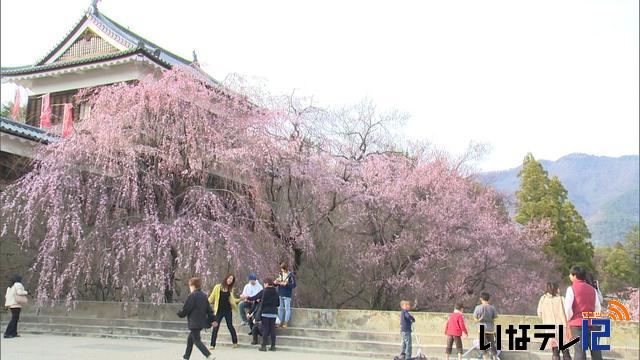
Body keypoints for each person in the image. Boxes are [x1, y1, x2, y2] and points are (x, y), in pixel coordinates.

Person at [564, 266, 603, 360]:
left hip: (577, 324)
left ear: (575, 276)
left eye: (570, 274)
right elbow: (598, 307)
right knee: (596, 351)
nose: (569, 276)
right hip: (591, 323)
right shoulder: (593, 290)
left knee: (579, 351)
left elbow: (568, 308)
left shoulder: (571, 289)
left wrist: (569, 320)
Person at [176, 277, 216, 360]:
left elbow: (186, 309)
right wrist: (213, 319)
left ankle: (208, 355)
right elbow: (209, 309)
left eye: (190, 286)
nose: (190, 288)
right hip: (201, 322)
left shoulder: (192, 296)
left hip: (194, 322)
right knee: (190, 339)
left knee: (197, 340)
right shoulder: (204, 295)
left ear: (193, 286)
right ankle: (186, 357)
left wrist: (179, 313)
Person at [537, 282, 572, 360]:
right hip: (562, 327)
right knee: (565, 350)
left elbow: (539, 313)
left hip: (549, 328)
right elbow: (567, 311)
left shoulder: (543, 299)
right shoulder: (561, 298)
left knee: (555, 351)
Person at [246, 278, 280, 351]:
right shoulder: (276, 292)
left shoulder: (264, 291)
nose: (264, 285)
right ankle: (273, 346)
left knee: (265, 329)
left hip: (265, 312)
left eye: (264, 284)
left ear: (266, 284)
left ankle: (263, 346)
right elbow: (278, 303)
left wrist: (247, 298)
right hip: (274, 312)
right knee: (272, 329)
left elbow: (257, 299)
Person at [208, 274, 239, 350]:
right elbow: (211, 298)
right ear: (226, 278)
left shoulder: (230, 289)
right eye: (229, 278)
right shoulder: (217, 287)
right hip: (219, 311)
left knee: (230, 326)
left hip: (228, 310)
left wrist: (241, 299)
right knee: (216, 326)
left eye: (231, 280)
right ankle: (212, 345)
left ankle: (235, 342)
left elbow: (233, 300)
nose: (230, 280)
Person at [473, 292, 499, 360]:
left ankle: (485, 359)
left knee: (483, 347)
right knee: (492, 345)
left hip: (481, 329)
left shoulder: (477, 308)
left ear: (481, 299)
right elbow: (495, 318)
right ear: (488, 299)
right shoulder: (492, 308)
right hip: (490, 329)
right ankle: (495, 358)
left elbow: (475, 318)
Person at [275, 262, 296, 328]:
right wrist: (276, 283)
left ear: (286, 268)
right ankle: (280, 322)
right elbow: (278, 282)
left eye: (283, 269)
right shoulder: (280, 274)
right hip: (280, 293)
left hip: (287, 294)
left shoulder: (291, 275)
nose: (282, 270)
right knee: (280, 308)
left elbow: (294, 285)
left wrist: (286, 284)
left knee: (287, 309)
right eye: (281, 269)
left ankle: (286, 322)